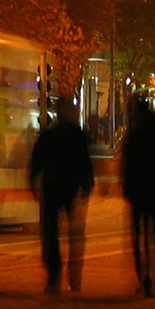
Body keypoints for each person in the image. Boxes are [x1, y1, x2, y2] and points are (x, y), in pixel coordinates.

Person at [29, 98, 95, 294]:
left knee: (51, 232)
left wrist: (33, 181)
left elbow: (36, 160)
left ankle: (54, 274)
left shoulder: (48, 134)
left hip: (51, 187)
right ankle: (74, 277)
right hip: (71, 187)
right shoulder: (78, 135)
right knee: (76, 234)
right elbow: (85, 161)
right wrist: (87, 183)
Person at [121, 97, 155, 297]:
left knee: (138, 235)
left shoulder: (134, 133)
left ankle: (143, 277)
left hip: (138, 189)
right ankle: (153, 276)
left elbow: (127, 162)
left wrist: (125, 185)